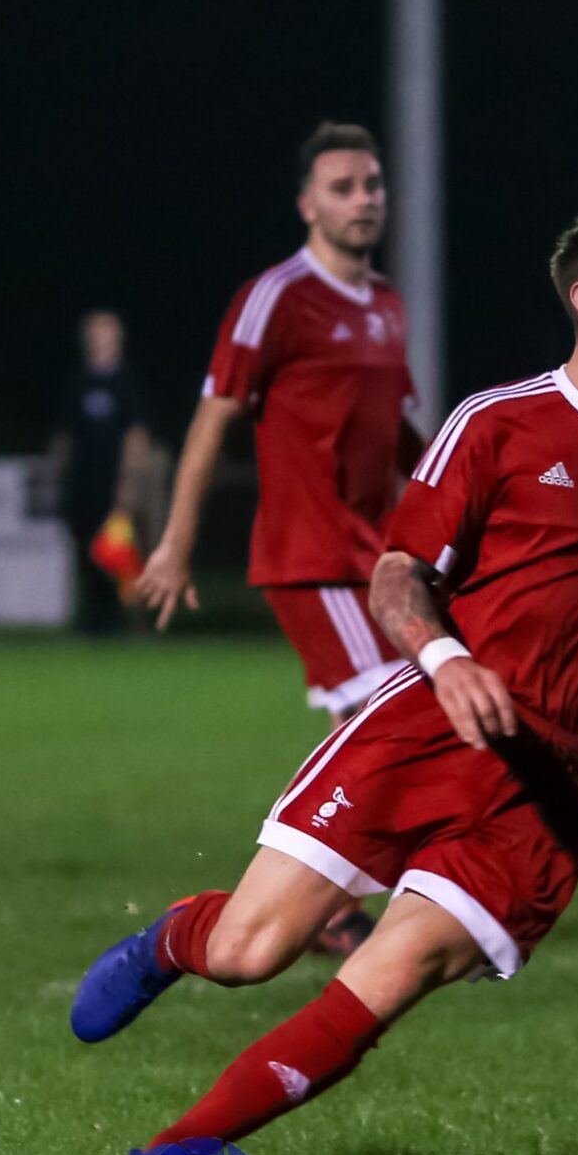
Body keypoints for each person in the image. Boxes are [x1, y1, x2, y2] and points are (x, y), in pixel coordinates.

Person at [70, 195, 578, 1155]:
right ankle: (176, 938)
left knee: (390, 974)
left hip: (550, 787)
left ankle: (173, 1152)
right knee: (251, 950)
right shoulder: (499, 423)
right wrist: (447, 658)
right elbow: (397, 575)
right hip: (430, 722)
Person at [134, 122, 424, 724]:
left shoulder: (387, 302)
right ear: (308, 206)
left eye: (372, 185)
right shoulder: (276, 297)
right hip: (313, 557)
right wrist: (175, 545)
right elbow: (213, 418)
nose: (364, 198)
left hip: (377, 555)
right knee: (389, 717)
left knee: (385, 734)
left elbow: (395, 433)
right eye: (342, 188)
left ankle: (319, 821)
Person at [47, 309, 153, 635]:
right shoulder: (77, 381)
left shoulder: (127, 382)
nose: (103, 340)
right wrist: (56, 470)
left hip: (114, 487)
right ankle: (89, 620)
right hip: (83, 486)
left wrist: (128, 484)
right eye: (97, 333)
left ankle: (132, 622)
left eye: (108, 333)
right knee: (84, 555)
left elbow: (137, 435)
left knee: (120, 557)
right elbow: (65, 434)